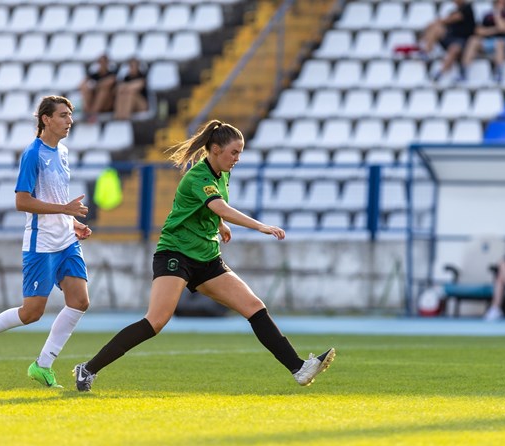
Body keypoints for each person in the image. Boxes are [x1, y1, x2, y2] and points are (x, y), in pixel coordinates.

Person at [72, 120, 335, 392]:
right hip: (176, 253)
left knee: (254, 307)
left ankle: (299, 368)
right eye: (234, 152)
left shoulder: (222, 172)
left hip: (207, 257)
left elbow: (205, 207)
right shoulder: (198, 176)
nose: (238, 158)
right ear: (216, 149)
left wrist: (219, 225)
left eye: (240, 152)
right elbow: (219, 205)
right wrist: (259, 225)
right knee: (156, 321)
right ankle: (88, 369)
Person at [0, 96, 93, 388]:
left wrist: (73, 222)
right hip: (41, 244)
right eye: (63, 115)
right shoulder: (33, 154)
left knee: (80, 301)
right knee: (32, 313)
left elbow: (56, 199)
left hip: (66, 240)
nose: (70, 121)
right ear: (46, 119)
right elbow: (22, 201)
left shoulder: (64, 152)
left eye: (70, 115)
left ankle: (42, 365)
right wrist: (65, 210)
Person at [418, 0, 476, 82]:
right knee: (436, 28)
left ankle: (440, 72)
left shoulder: (467, 8)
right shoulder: (454, 10)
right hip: (450, 37)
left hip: (463, 40)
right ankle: (426, 52)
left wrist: (435, 22)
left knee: (454, 49)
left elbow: (454, 18)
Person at [460, 0, 505, 83]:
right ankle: (464, 70)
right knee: (473, 40)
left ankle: (499, 72)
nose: (502, 5)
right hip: (488, 41)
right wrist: (496, 30)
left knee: (499, 43)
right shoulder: (487, 16)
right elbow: (479, 31)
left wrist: (497, 15)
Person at [79, 54, 118, 123]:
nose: (102, 64)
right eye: (100, 62)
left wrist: (95, 85)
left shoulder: (112, 74)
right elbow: (81, 85)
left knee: (104, 90)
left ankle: (92, 113)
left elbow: (109, 82)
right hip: (95, 101)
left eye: (104, 62)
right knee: (85, 89)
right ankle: (89, 112)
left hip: (108, 104)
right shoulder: (94, 74)